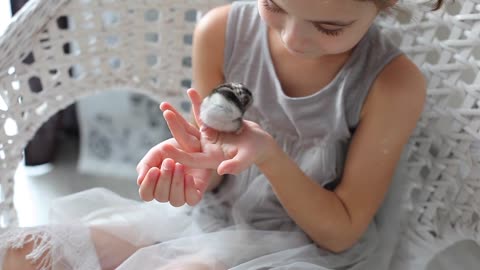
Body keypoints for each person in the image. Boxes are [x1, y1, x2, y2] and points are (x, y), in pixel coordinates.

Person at [1, 0, 445, 269]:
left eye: (330, 28)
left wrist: (268, 155)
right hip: (207, 221)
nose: (293, 38)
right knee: (22, 254)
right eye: (274, 4)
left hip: (305, 248)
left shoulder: (391, 85)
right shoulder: (220, 32)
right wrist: (198, 163)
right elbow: (212, 165)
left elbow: (341, 232)